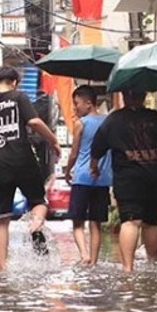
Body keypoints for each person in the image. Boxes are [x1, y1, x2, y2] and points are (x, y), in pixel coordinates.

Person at [0, 66, 61, 271]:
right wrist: (53, 141)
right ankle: (35, 223)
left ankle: (1, 270)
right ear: (15, 82)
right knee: (39, 201)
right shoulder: (19, 97)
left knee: (0, 220)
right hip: (23, 161)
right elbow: (34, 122)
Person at [90, 90, 157, 272]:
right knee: (152, 222)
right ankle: (152, 264)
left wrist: (94, 166)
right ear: (143, 95)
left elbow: (97, 147)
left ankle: (128, 268)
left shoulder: (113, 120)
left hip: (127, 178)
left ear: (124, 95)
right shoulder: (155, 117)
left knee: (131, 221)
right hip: (155, 176)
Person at [64, 85, 112, 265]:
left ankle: (84, 255)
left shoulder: (80, 123)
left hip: (82, 178)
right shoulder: (108, 122)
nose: (75, 108)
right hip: (102, 180)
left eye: (76, 104)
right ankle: (94, 260)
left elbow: (74, 152)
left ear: (89, 103)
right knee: (96, 223)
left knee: (78, 223)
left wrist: (68, 171)